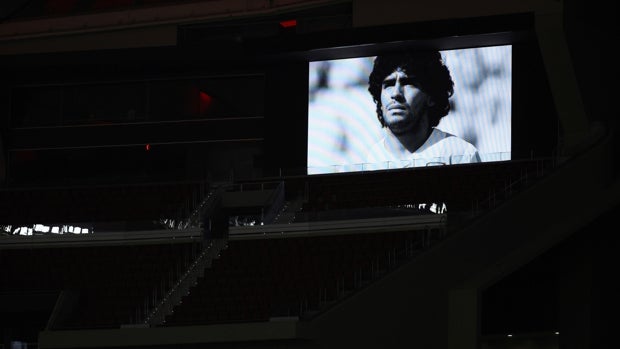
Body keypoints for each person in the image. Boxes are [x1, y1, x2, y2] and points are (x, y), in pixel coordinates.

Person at [364, 51, 481, 170]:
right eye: (389, 84)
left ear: (431, 96)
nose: (396, 93)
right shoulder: (373, 158)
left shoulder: (459, 154)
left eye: (408, 83)